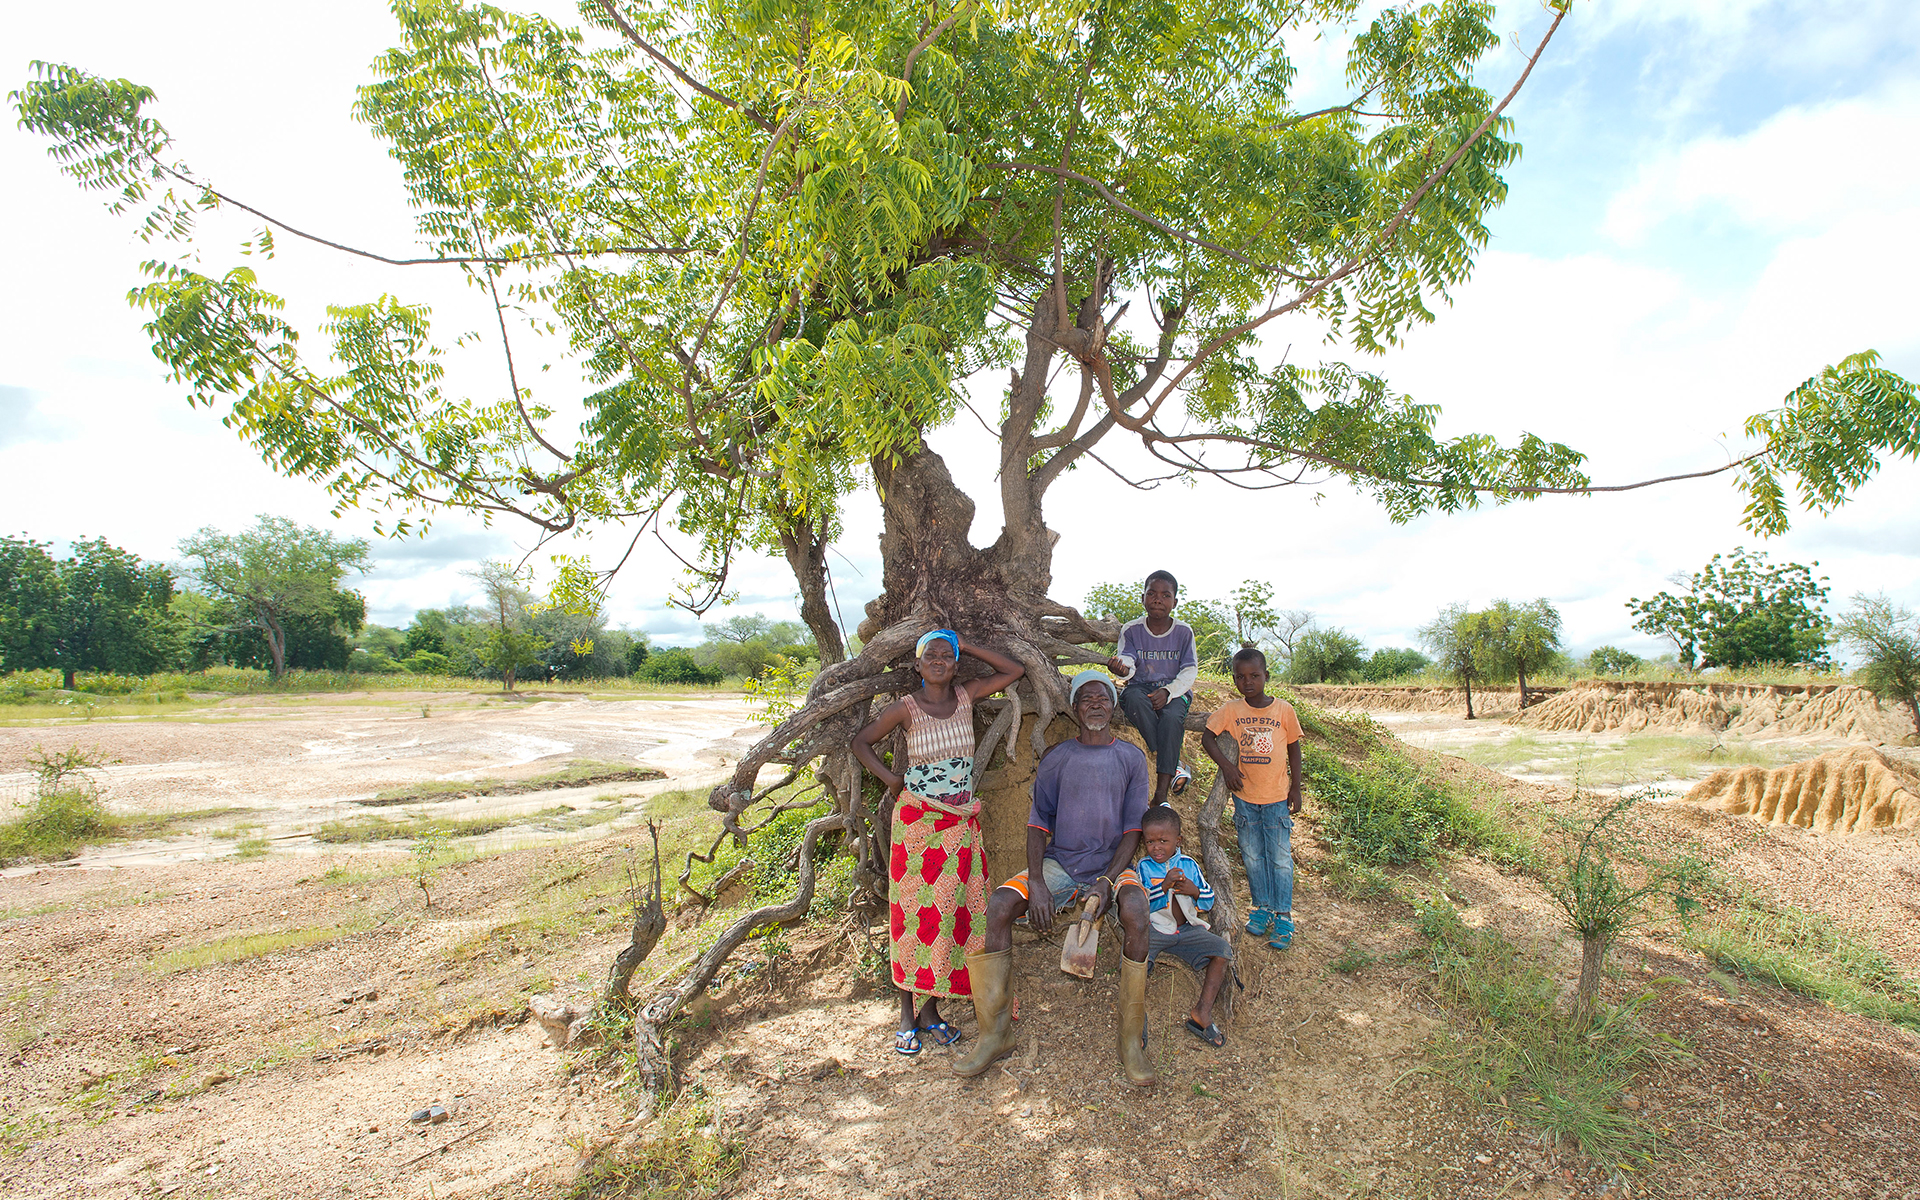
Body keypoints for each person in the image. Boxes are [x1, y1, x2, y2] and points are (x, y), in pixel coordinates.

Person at [951, 670, 1158, 1086]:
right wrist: (1041, 884)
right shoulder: (1058, 757)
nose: (1095, 705)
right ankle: (996, 1033)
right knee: (1000, 906)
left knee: (1136, 911)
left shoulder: (1131, 758)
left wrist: (1107, 880)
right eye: (1086, 699)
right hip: (1060, 865)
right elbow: (1037, 824)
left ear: (1113, 707)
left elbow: (1134, 831)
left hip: (1114, 866)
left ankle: (1130, 1040)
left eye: (1103, 698)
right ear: (1074, 708)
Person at [852, 629, 1025, 1055]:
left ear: (956, 664)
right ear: (917, 663)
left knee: (948, 914)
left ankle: (931, 1012)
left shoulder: (967, 696)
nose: (939, 660)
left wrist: (966, 644)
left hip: (960, 823)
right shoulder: (905, 709)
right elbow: (860, 742)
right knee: (913, 916)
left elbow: (1014, 669)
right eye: (931, 654)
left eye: (947, 655)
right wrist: (892, 779)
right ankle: (907, 1016)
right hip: (918, 825)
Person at [1201, 647, 1305, 950]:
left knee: (1280, 858)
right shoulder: (1232, 711)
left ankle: (1283, 915)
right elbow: (1207, 737)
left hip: (1276, 799)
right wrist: (1228, 766)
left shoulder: (1283, 710)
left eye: (1254, 676)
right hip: (1245, 799)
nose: (1248, 682)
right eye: (1240, 677)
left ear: (1266, 676)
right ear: (1234, 679)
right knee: (1253, 856)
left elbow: (1294, 749)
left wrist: (1296, 788)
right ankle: (1261, 908)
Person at [1135, 806, 1233, 1047]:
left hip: (1187, 929)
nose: (1156, 847)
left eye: (1163, 841)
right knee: (1135, 961)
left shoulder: (1189, 865)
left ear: (1178, 841)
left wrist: (1195, 891)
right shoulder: (1144, 867)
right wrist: (1164, 886)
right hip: (1156, 929)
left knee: (1222, 950)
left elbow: (1209, 899)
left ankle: (1202, 1012)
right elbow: (1141, 904)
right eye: (1150, 842)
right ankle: (1137, 1024)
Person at [1106, 570, 1199, 808]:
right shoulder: (1131, 629)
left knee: (1170, 718)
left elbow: (1189, 671)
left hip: (1175, 691)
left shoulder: (1183, 632)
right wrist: (1122, 669)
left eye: (1165, 595)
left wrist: (1168, 692)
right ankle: (1174, 763)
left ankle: (1161, 794)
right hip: (1141, 687)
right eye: (1152, 593)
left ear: (1175, 602)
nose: (1158, 599)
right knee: (1133, 700)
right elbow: (1128, 662)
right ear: (1143, 598)